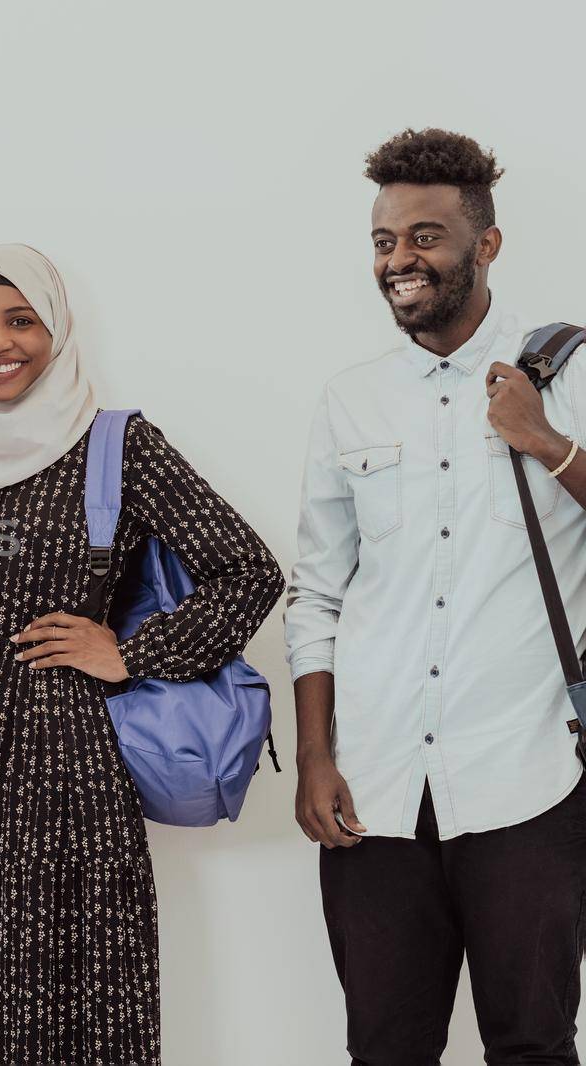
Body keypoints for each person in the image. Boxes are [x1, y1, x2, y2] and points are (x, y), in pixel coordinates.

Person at [0, 244, 283, 1064]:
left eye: (20, 321)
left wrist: (134, 651)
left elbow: (249, 573)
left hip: (68, 784)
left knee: (62, 1016)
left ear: (58, 332)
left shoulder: (118, 446)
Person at [287, 128, 586, 1064]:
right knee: (384, 1047)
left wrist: (547, 442)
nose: (400, 261)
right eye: (384, 241)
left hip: (525, 781)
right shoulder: (351, 399)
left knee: (533, 1044)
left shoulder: (569, 375)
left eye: (425, 236)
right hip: (373, 789)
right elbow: (317, 595)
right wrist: (314, 757)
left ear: (486, 245)